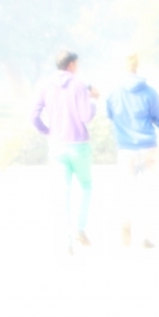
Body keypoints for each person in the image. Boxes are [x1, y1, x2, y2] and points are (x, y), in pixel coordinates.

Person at [31, 49, 99, 253]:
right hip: (78, 145)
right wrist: (93, 101)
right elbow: (86, 116)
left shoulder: (45, 85)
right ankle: (80, 228)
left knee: (63, 193)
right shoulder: (79, 84)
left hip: (57, 146)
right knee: (86, 185)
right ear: (71, 65)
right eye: (76, 64)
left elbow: (33, 116)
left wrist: (48, 131)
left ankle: (66, 243)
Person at [106, 53, 159, 248]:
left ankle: (126, 222)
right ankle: (147, 236)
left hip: (126, 149)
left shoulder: (114, 93)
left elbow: (109, 116)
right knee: (152, 191)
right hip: (148, 148)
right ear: (137, 67)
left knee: (126, 190)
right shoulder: (149, 93)